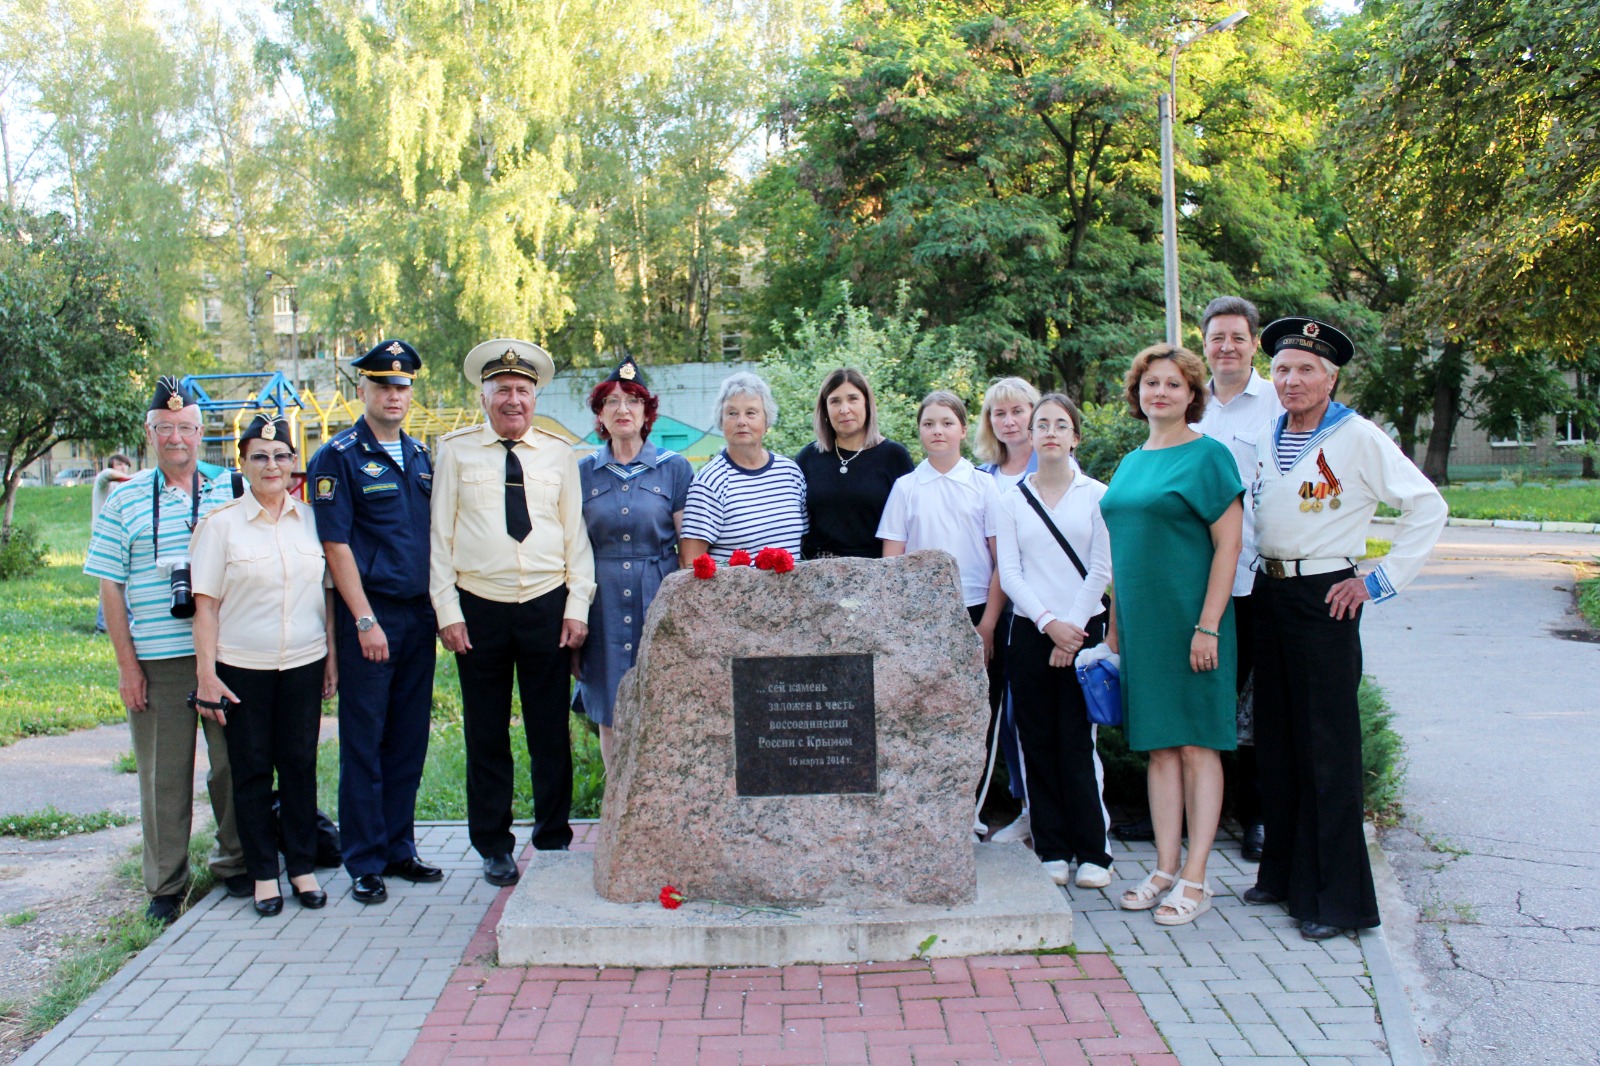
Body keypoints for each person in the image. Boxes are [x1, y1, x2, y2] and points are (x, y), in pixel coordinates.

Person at [1243, 317, 1446, 941]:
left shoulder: (1356, 437)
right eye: (1282, 369)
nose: (1292, 380)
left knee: (1325, 749)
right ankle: (1282, 875)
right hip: (1271, 594)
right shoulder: (1268, 432)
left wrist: (1376, 582)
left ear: (1330, 378)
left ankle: (1337, 901)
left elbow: (1426, 506)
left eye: (1306, 370)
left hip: (1324, 597)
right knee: (1275, 742)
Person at [429, 339, 596, 887]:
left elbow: (576, 537)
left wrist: (577, 606)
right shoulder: (455, 452)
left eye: (523, 390)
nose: (513, 399)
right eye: (502, 390)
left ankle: (552, 838)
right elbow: (440, 540)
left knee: (550, 730)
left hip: (547, 605)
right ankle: (494, 845)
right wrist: (447, 611)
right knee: (486, 732)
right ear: (484, 397)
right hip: (479, 609)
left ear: (535, 397)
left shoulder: (558, 454)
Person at [84, 378, 249, 924]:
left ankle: (237, 862)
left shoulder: (233, 487)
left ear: (203, 433)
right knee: (163, 773)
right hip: (158, 660)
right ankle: (165, 884)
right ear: (149, 433)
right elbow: (110, 585)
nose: (176, 437)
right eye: (165, 428)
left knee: (233, 765)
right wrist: (127, 666)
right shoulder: (125, 498)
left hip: (227, 654)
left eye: (185, 427)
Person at [1100, 344, 1243, 927]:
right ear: (1137, 393)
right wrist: (1115, 620)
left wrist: (1208, 624)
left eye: (1173, 385)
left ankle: (1197, 877)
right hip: (1142, 625)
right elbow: (1121, 546)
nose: (1160, 393)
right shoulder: (1132, 463)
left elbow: (1228, 546)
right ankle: (1162, 868)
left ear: (1192, 395)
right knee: (1158, 747)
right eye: (1150, 383)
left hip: (1193, 622)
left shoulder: (1209, 457)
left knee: (1196, 745)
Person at [307, 340, 439, 906]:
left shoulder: (420, 454)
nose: (394, 394)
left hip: (418, 614)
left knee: (408, 738)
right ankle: (362, 858)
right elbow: (335, 546)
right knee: (365, 739)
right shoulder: (337, 456)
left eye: (402, 386)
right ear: (362, 390)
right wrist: (363, 620)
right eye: (383, 385)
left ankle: (397, 847)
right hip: (371, 615)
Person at [190, 414, 335, 917]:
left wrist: (332, 658)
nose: (271, 465)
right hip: (241, 667)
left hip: (303, 661)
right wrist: (206, 674)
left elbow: (326, 595)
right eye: (260, 456)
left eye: (280, 456)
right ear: (242, 463)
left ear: (295, 463)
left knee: (299, 766)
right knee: (250, 772)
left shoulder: (314, 522)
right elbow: (204, 606)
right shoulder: (220, 526)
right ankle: (262, 875)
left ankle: (301, 867)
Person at [995, 394, 1114, 888]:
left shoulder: (1097, 495)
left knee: (1076, 743)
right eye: (1040, 423)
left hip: (1084, 630)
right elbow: (1011, 572)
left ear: (1074, 437)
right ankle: (1052, 848)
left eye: (1060, 425)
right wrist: (1047, 624)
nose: (1048, 432)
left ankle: (1093, 852)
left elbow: (1103, 569)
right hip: (1030, 631)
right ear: (1030, 433)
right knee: (1036, 741)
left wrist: (1071, 631)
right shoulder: (1010, 498)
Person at [1193, 296, 1285, 863]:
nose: (1226, 346)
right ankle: (1193, 813)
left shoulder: (1279, 403)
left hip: (1256, 578)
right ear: (1204, 344)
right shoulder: (1189, 405)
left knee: (1253, 707)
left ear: (1254, 344)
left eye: (1237, 337)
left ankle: (1257, 817)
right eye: (1216, 337)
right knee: (1204, 700)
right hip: (1196, 580)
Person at [575, 356, 693, 768]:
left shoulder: (674, 468)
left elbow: (686, 542)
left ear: (647, 413)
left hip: (657, 596)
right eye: (611, 402)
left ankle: (656, 806)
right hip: (601, 600)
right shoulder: (583, 472)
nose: (622, 409)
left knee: (661, 701)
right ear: (600, 415)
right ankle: (617, 808)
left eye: (632, 401)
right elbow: (572, 544)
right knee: (609, 708)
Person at [878, 390, 1004, 658]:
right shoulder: (905, 487)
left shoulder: (984, 485)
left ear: (963, 430)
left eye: (947, 423)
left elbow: (1002, 561)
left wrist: (988, 625)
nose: (938, 431)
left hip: (976, 606)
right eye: (928, 424)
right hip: (919, 610)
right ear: (920, 430)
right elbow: (891, 565)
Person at [973, 378, 1041, 844]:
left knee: (1035, 718)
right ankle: (1023, 808)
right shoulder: (982, 476)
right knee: (1005, 717)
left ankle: (1046, 813)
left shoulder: (1054, 465)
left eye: (1018, 411)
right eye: (1000, 414)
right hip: (1000, 607)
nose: (1009, 421)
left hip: (1045, 610)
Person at [679, 372, 808, 565]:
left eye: (751, 413)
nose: (741, 421)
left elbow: (802, 542)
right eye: (732, 413)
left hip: (792, 594)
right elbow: (691, 563)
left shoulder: (791, 473)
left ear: (766, 421)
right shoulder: (709, 482)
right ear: (721, 422)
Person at [794, 368, 913, 559]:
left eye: (853, 399)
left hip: (877, 574)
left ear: (867, 403)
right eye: (835, 401)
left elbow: (910, 526)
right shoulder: (808, 458)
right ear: (825, 409)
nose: (844, 409)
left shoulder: (894, 457)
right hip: (817, 574)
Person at [91, 454, 134, 633]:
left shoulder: (128, 489)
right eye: (119, 464)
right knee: (111, 581)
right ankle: (103, 624)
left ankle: (119, 621)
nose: (122, 468)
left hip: (122, 538)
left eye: (125, 465)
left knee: (124, 581)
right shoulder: (104, 484)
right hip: (105, 538)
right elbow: (106, 474)